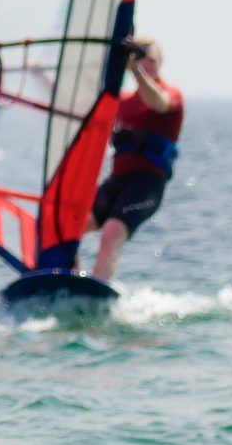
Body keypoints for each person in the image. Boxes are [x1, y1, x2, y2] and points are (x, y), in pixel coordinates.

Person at [77, 37, 184, 282]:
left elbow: (157, 102)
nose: (147, 63)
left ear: (160, 63)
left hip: (147, 187)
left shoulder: (171, 95)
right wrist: (40, 76)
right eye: (141, 58)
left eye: (152, 59)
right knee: (74, 225)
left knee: (112, 232)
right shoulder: (122, 101)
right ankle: (67, 279)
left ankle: (98, 288)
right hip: (117, 182)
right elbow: (81, 102)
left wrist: (136, 71)